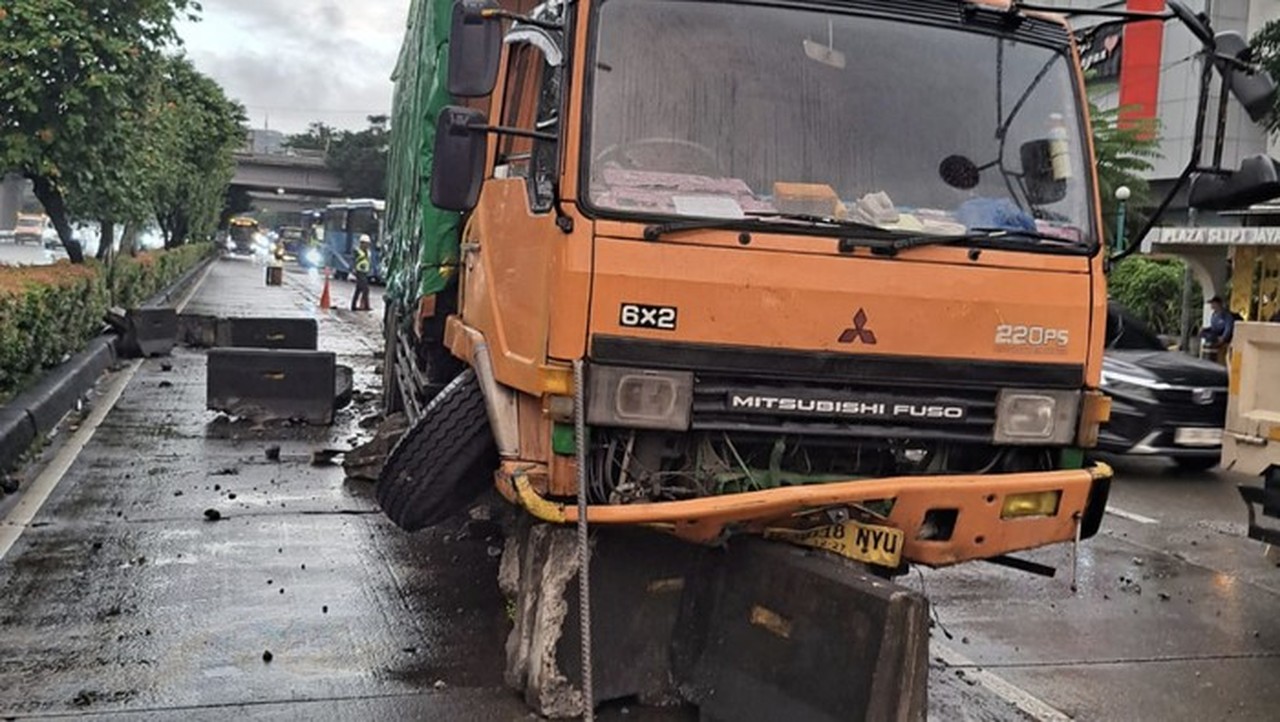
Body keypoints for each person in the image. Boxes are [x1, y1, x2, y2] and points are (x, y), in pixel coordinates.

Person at [1201, 296, 1235, 363]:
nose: (1212, 305)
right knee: (1203, 334)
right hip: (1215, 335)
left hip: (1223, 337)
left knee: (1212, 338)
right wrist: (1205, 329)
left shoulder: (1226, 315)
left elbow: (1228, 328)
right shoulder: (1214, 315)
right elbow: (1213, 328)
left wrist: (1223, 338)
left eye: (1213, 303)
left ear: (1218, 304)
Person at [351, 235, 372, 312]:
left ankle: (353, 306)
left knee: (358, 290)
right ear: (361, 243)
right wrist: (353, 269)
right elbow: (353, 260)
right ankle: (366, 306)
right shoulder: (357, 251)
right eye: (365, 243)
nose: (366, 245)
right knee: (365, 289)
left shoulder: (368, 252)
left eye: (367, 244)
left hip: (365, 272)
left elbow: (368, 262)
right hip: (359, 272)